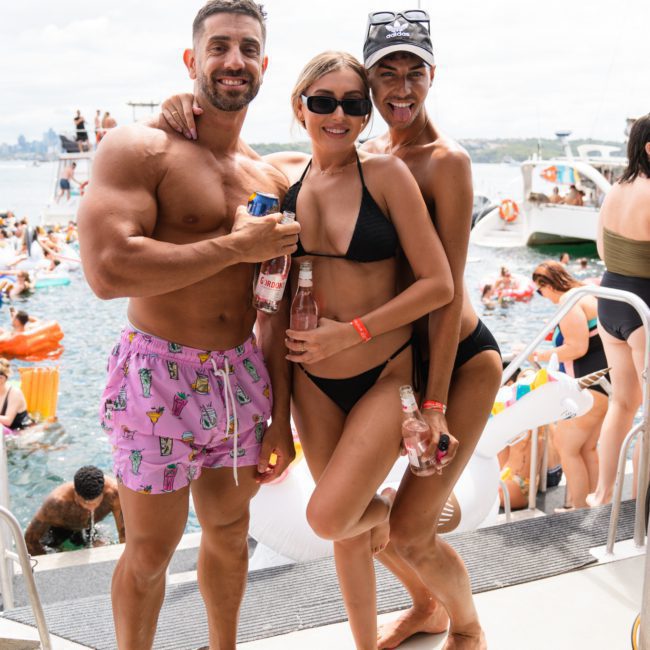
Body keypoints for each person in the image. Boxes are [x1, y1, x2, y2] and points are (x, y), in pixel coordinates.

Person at [163, 9, 502, 649]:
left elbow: (443, 290)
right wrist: (186, 105)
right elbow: (242, 157)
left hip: (437, 353)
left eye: (414, 72)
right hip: (325, 371)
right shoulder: (331, 164)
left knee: (391, 528)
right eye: (383, 76)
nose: (397, 88)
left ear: (431, 77)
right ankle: (370, 637)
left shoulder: (431, 164)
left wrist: (429, 403)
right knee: (349, 526)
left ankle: (464, 623)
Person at [77, 2, 301, 649]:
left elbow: (274, 303)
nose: (234, 60)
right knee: (151, 550)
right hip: (156, 374)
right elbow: (107, 270)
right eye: (220, 46)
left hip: (238, 376)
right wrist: (234, 247)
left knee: (231, 535)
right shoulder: (141, 147)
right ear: (192, 59)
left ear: (264, 64)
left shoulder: (267, 176)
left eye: (248, 48)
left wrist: (281, 415)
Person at [588, 113, 650, 507]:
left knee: (622, 403)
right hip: (644, 305)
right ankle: (642, 502)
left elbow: (601, 251)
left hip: (610, 299)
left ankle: (602, 493)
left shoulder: (616, 189)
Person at [530, 261, 609, 510]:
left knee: (566, 446)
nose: (540, 296)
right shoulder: (586, 292)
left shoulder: (569, 301)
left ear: (547, 286)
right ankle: (596, 506)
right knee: (586, 448)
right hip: (604, 385)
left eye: (538, 290)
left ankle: (577, 509)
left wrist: (537, 355)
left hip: (587, 387)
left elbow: (577, 347)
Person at [24, 466, 124, 555]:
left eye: (94, 504)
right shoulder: (56, 503)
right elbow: (30, 539)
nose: (90, 509)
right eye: (85, 503)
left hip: (89, 529)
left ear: (103, 492)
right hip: (58, 531)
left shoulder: (114, 494)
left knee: (102, 547)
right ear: (75, 492)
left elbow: (124, 532)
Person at [0, 358, 33, 435]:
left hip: (21, 433)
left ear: (1, 379)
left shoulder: (14, 393)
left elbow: (8, 421)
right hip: (5, 432)